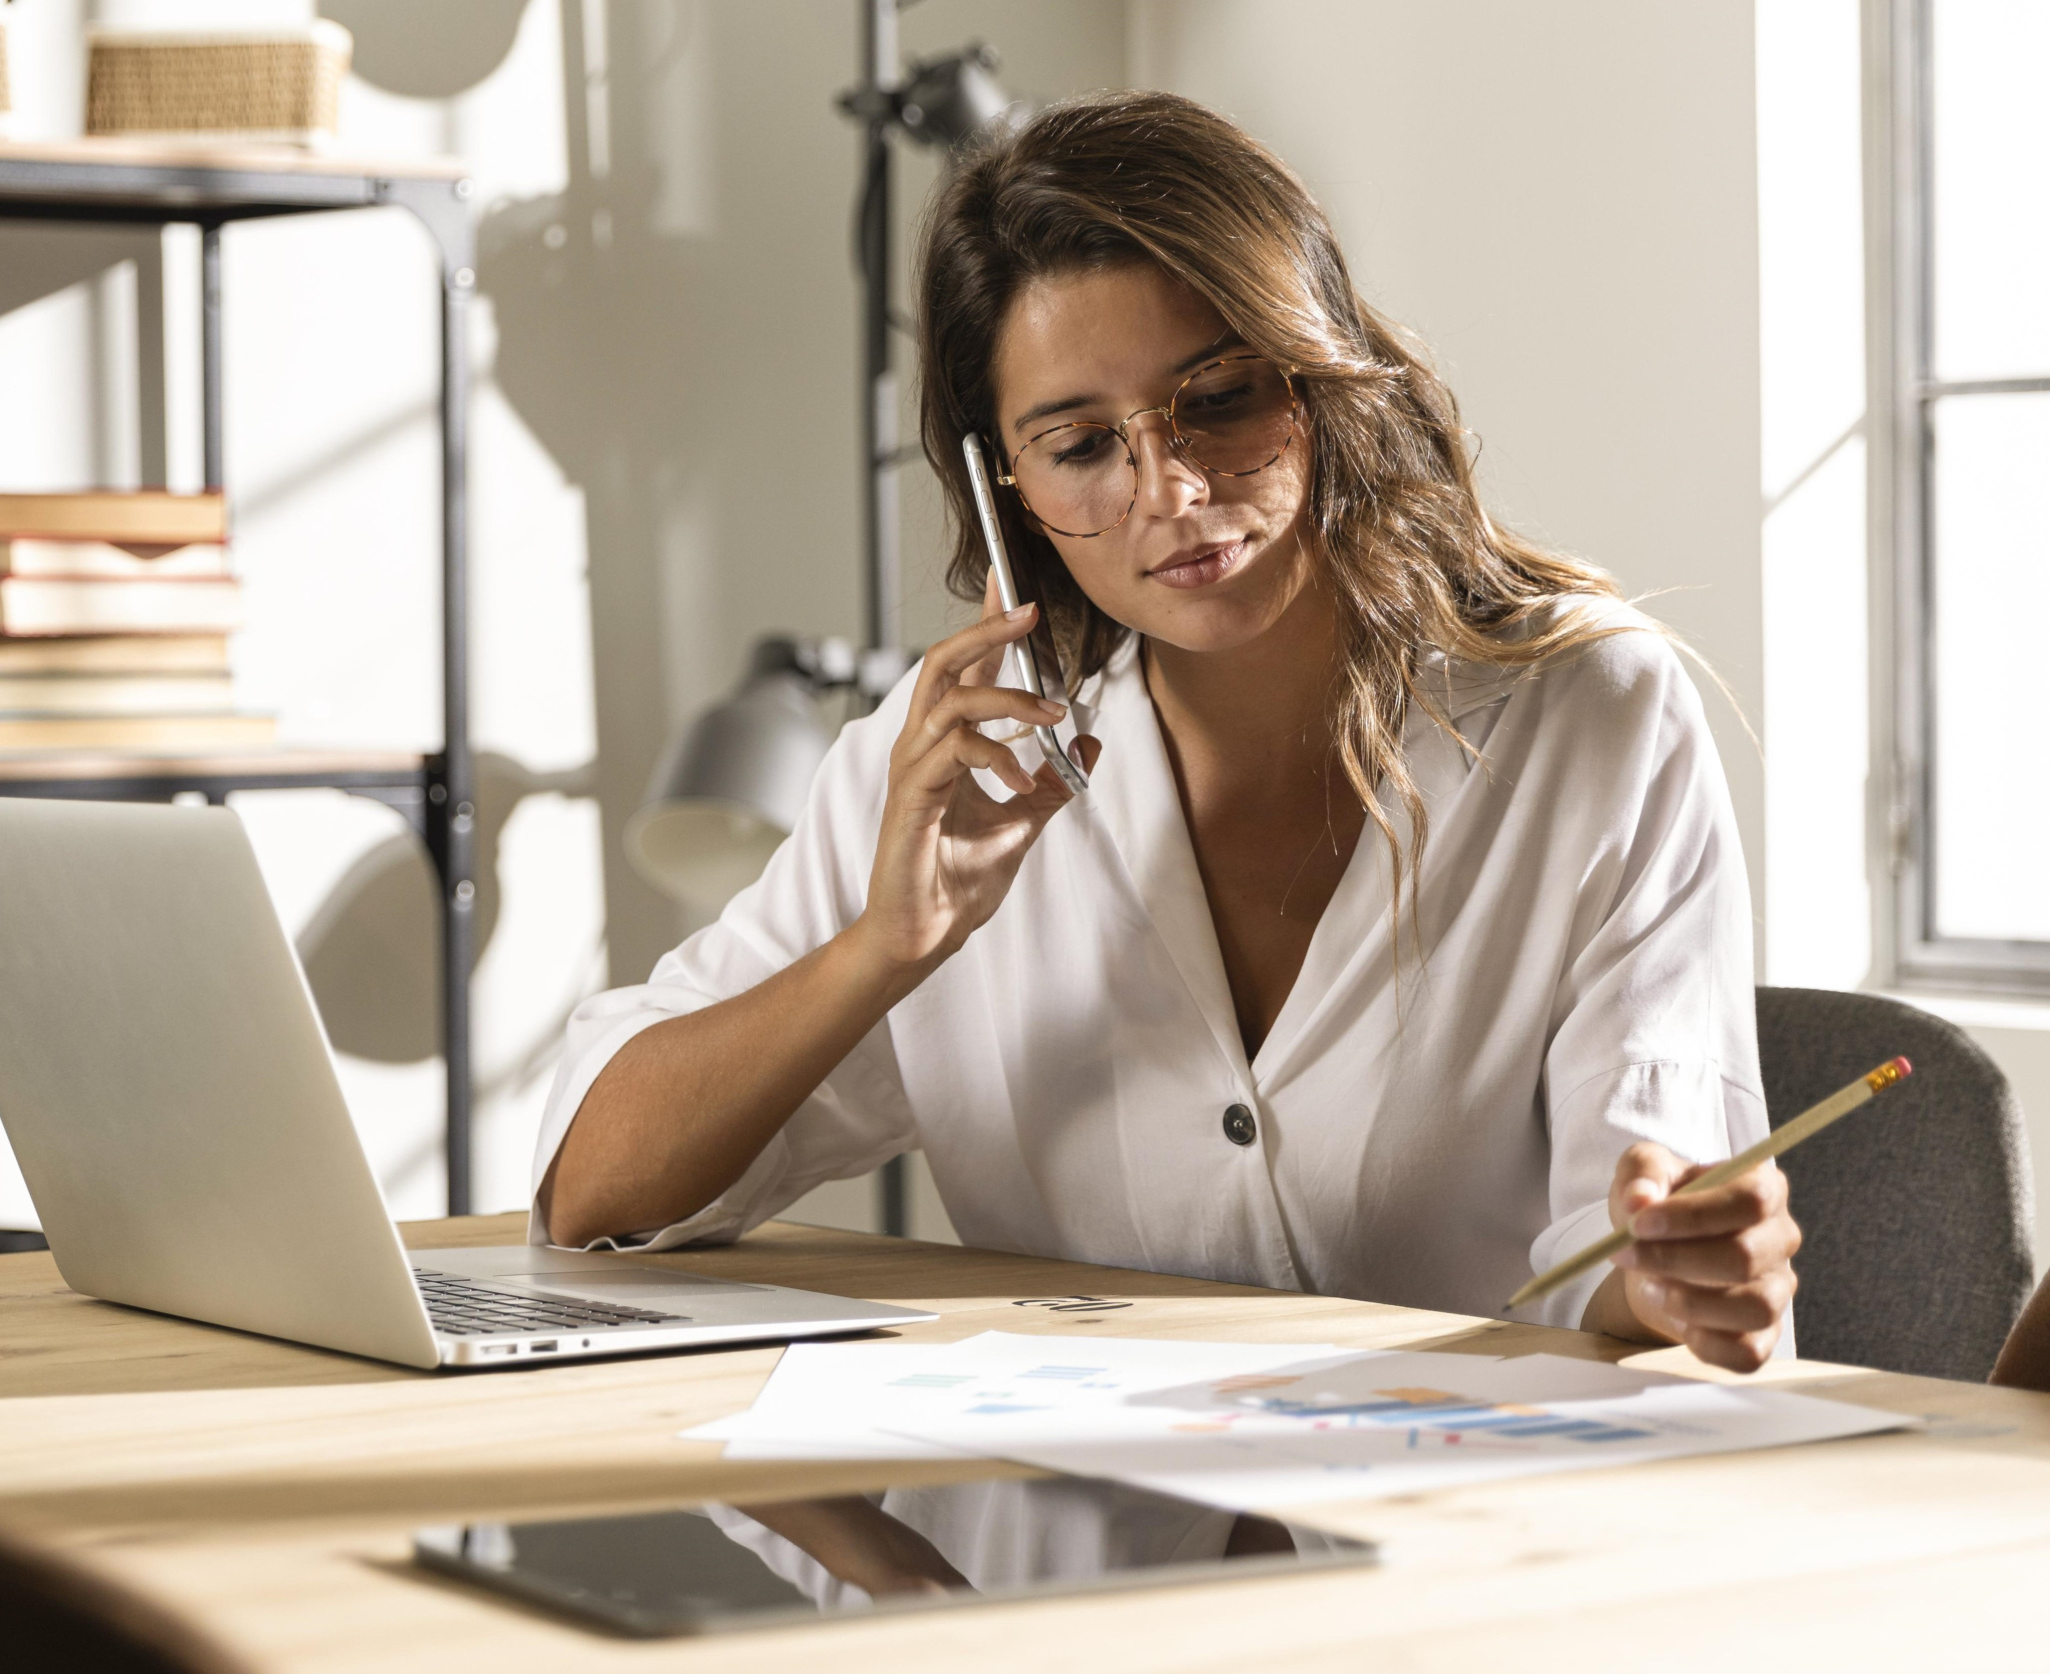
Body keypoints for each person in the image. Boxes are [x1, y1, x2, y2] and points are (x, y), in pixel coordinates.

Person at [533, 91, 1799, 1373]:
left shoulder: (1588, 717)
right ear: (1006, 487)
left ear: (1318, 375)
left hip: (1470, 1528)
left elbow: (1636, 1256)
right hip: (1070, 1547)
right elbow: (591, 1198)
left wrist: (1679, 1275)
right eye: (1081, 444)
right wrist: (884, 949)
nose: (1172, 491)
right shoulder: (951, 772)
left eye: (1222, 397)